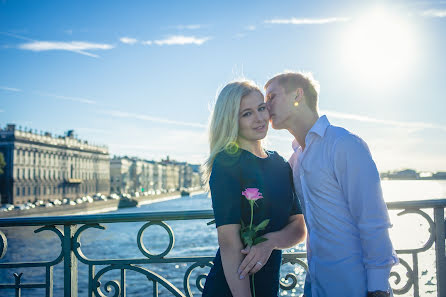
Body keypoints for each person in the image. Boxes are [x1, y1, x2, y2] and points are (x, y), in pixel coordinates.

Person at [238, 72, 398, 297]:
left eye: (272, 96)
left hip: (358, 288)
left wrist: (378, 287)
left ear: (298, 95)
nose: (266, 104)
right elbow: (302, 225)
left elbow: (373, 221)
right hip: (317, 287)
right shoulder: (295, 161)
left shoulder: (344, 145)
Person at [201, 80, 306, 297]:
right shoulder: (227, 163)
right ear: (232, 121)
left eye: (261, 108)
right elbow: (229, 242)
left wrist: (270, 242)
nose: (259, 118)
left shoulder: (280, 164)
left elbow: (298, 226)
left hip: (268, 285)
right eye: (246, 113)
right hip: (232, 288)